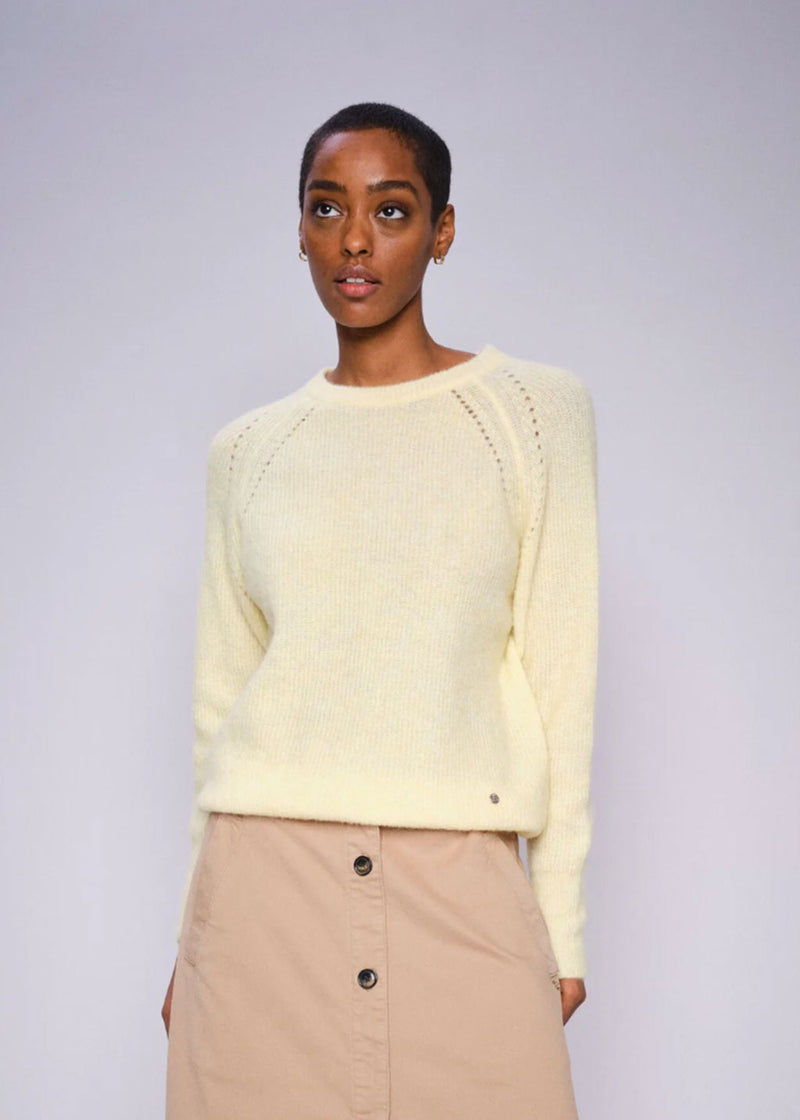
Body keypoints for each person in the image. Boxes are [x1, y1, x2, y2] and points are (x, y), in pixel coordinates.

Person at [162, 101, 599, 1120]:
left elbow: (561, 676)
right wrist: (192, 936)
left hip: (459, 882)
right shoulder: (248, 452)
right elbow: (219, 707)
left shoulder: (532, 415)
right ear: (300, 230)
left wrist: (561, 924)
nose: (354, 240)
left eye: (391, 210)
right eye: (327, 208)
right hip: (260, 896)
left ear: (441, 231)